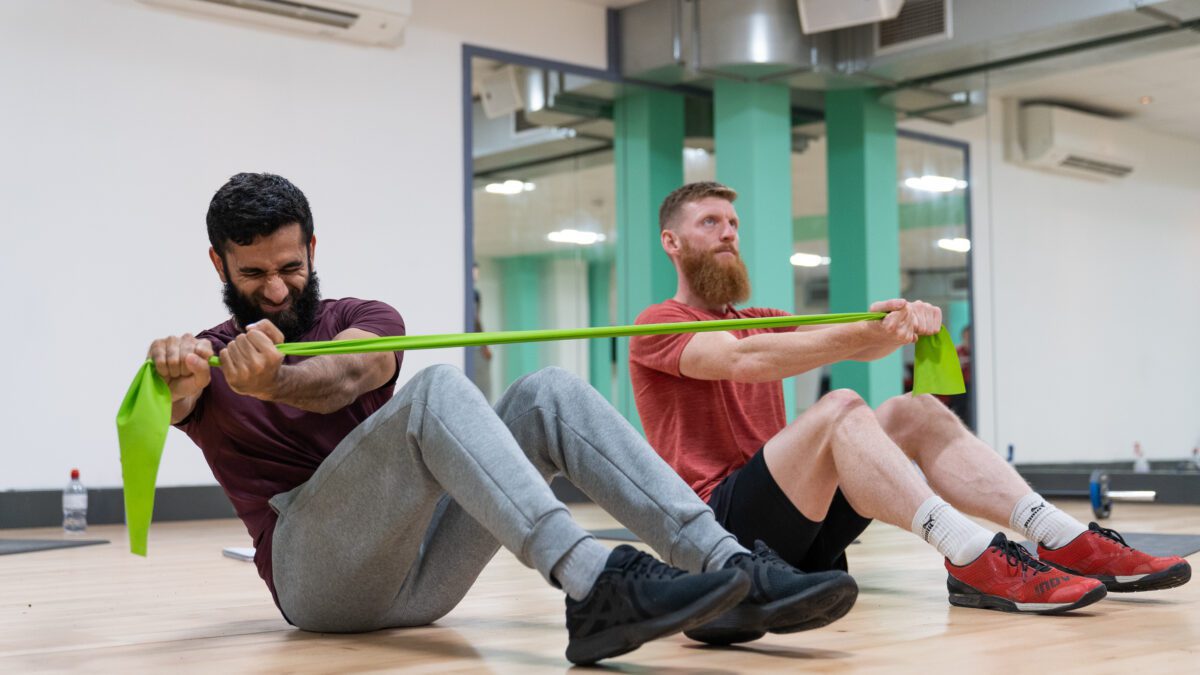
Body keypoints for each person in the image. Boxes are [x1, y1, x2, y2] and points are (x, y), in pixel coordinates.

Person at [146, 173, 859, 666]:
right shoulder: (204, 360)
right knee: (437, 391)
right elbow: (173, 404)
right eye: (253, 275)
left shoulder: (364, 319)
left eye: (290, 267)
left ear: (312, 248)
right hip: (318, 585)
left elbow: (347, 376)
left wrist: (277, 380)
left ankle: (729, 565)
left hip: (423, 575)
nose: (276, 290)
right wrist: (171, 376)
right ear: (219, 264)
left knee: (547, 391)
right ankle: (593, 582)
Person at [630, 181, 1190, 620]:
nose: (728, 234)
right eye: (710, 222)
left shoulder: (763, 319)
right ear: (671, 242)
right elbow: (742, 359)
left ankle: (1062, 538)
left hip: (798, 529)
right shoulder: (658, 323)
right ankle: (971, 554)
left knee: (912, 408)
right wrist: (867, 332)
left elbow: (859, 343)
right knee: (841, 407)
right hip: (721, 529)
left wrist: (896, 322)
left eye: (733, 223)